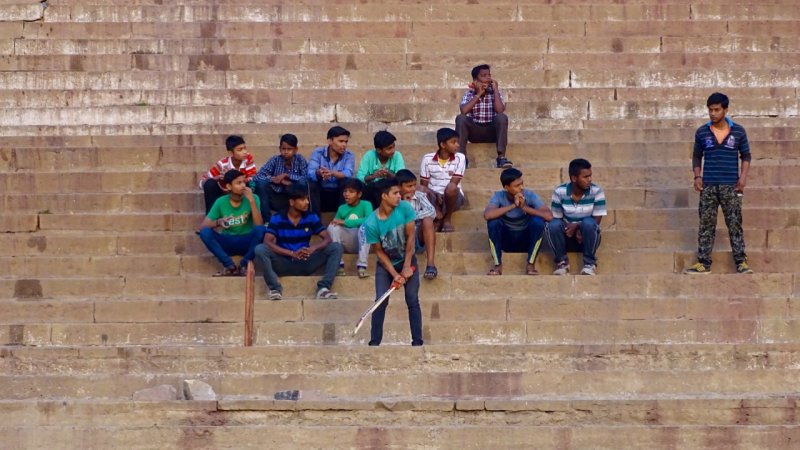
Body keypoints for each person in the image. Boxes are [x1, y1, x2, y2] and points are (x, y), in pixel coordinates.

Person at [685, 92, 753, 275]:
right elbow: (697, 156)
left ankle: (741, 262)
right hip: (708, 186)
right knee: (706, 225)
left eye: (716, 110)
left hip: (731, 185)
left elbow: (746, 156)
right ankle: (703, 263)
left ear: (725, 110)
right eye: (710, 110)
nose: (713, 113)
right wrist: (697, 177)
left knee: (734, 223)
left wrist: (743, 177)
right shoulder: (701, 132)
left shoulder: (738, 131)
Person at [253, 183, 344, 300]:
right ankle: (275, 288)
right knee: (260, 249)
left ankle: (323, 288)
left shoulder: (311, 217)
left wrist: (313, 249)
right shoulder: (277, 218)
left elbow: (327, 239)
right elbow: (267, 242)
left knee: (336, 247)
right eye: (302, 199)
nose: (307, 202)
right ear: (291, 202)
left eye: (307, 198)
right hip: (283, 262)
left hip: (306, 261)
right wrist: (291, 253)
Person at [363, 178, 423, 346]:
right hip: (387, 264)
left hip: (408, 260)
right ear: (384, 196)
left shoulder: (404, 208)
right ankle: (374, 343)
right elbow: (379, 252)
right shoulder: (371, 222)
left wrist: (406, 267)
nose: (399, 196)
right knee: (380, 301)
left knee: (412, 299)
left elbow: (411, 237)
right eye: (395, 193)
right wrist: (395, 274)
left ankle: (417, 342)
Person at [484, 168, 553, 276]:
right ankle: (497, 265)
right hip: (507, 241)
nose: (521, 188)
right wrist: (513, 205)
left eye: (522, 183)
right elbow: (488, 215)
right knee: (493, 223)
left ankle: (530, 264)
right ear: (506, 187)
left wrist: (525, 208)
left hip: (526, 240)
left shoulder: (529, 195)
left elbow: (549, 216)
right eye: (517, 186)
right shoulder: (498, 196)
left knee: (538, 222)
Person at [544, 159, 607, 276]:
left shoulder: (597, 191)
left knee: (588, 223)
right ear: (574, 178)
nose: (590, 179)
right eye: (585, 177)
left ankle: (589, 264)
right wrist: (571, 229)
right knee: (552, 225)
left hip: (587, 237)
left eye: (590, 175)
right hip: (567, 236)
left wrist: (578, 226)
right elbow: (557, 219)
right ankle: (562, 263)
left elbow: (596, 221)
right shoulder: (560, 191)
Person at [198, 169, 265, 277]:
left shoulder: (253, 198)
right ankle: (229, 265)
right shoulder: (221, 201)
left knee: (262, 230)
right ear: (229, 186)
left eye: (244, 182)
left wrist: (252, 202)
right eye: (239, 183)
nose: (243, 186)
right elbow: (203, 226)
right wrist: (219, 222)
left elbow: (259, 225)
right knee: (205, 233)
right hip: (227, 240)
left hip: (246, 240)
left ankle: (244, 264)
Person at [456, 64, 510, 169]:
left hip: (491, 131)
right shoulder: (469, 94)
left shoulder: (497, 93)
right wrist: (478, 94)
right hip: (474, 132)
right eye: (484, 76)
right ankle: (461, 158)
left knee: (502, 117)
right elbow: (463, 111)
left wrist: (495, 91)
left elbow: (500, 111)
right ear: (475, 80)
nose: (488, 78)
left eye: (489, 75)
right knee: (460, 119)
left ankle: (501, 158)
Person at [419, 128, 466, 233]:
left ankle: (446, 219)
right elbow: (424, 186)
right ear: (443, 145)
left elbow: (454, 183)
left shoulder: (460, 158)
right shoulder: (427, 159)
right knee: (420, 189)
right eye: (453, 142)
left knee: (451, 188)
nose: (457, 145)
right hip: (434, 197)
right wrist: (434, 194)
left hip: (452, 196)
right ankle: (436, 214)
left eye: (457, 142)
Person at [253, 133, 308, 219]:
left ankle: (302, 217)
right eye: (283, 149)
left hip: (293, 198)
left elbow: (306, 178)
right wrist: (275, 179)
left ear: (296, 149)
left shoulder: (300, 160)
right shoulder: (275, 160)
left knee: (303, 182)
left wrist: (287, 176)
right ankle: (267, 219)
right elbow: (257, 176)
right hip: (275, 197)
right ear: (279, 149)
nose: (286, 152)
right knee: (260, 183)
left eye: (289, 149)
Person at [396, 169, 438, 280]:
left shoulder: (419, 196)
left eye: (414, 185)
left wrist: (412, 215)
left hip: (418, 238)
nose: (413, 189)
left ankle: (430, 265)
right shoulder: (394, 199)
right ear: (399, 187)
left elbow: (432, 211)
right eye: (409, 186)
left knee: (428, 220)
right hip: (401, 240)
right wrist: (404, 204)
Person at [199, 135, 257, 214]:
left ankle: (252, 214)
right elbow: (202, 183)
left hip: (241, 193)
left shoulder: (247, 159)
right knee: (210, 184)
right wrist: (218, 177)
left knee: (253, 184)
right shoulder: (222, 164)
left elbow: (253, 177)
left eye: (245, 148)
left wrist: (235, 178)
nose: (245, 152)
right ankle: (211, 217)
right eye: (240, 150)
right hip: (224, 194)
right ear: (230, 153)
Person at [327, 178, 373, 278]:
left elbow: (369, 220)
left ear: (359, 194)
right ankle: (339, 264)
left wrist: (345, 222)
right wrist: (339, 222)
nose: (347, 194)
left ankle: (362, 266)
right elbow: (335, 223)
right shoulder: (342, 208)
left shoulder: (366, 204)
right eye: (345, 191)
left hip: (363, 242)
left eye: (351, 192)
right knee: (332, 227)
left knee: (366, 227)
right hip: (346, 243)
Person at [307, 126, 356, 213]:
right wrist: (319, 172)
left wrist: (332, 173)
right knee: (310, 182)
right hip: (321, 193)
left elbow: (348, 172)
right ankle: (315, 222)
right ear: (330, 141)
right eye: (341, 141)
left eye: (346, 142)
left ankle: (342, 218)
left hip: (339, 193)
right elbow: (310, 173)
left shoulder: (349, 155)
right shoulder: (318, 152)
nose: (344, 145)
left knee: (348, 181)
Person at [356, 130, 405, 209]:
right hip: (372, 190)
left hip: (391, 189)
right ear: (379, 150)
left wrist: (389, 174)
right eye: (389, 148)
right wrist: (373, 176)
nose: (393, 151)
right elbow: (359, 178)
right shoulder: (369, 155)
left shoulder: (397, 155)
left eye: (393, 146)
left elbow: (402, 177)